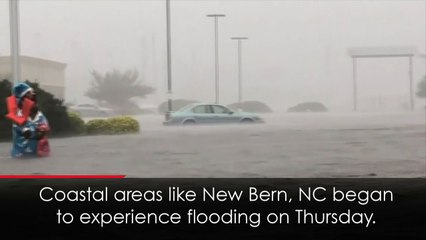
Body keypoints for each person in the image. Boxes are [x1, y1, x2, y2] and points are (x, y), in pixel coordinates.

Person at [6, 83, 50, 158]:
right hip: (21, 153)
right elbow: (19, 127)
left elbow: (44, 123)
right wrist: (26, 131)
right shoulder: (18, 115)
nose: (33, 95)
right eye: (29, 93)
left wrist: (43, 129)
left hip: (37, 152)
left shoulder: (38, 114)